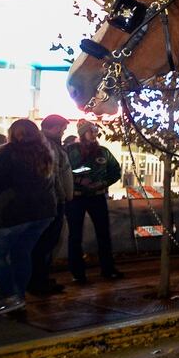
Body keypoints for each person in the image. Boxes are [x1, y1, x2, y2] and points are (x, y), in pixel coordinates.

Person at [0, 120, 58, 316]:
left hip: (11, 214)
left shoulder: (5, 152)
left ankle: (10, 296)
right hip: (43, 214)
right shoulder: (46, 152)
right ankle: (18, 297)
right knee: (22, 253)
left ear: (12, 133)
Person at [65, 120, 123, 281]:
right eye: (91, 131)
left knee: (103, 233)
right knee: (75, 235)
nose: (94, 134)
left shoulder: (103, 152)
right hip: (76, 198)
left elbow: (115, 171)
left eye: (95, 131)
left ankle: (108, 269)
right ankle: (77, 273)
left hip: (97, 197)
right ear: (83, 133)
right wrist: (77, 181)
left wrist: (103, 183)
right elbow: (62, 170)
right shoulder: (70, 151)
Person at [28, 115, 74, 295]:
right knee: (45, 244)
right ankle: (38, 282)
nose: (63, 132)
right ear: (54, 128)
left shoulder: (49, 144)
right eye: (62, 129)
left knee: (47, 243)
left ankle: (41, 279)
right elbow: (53, 176)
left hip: (53, 201)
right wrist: (61, 196)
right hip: (52, 203)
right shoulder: (47, 146)